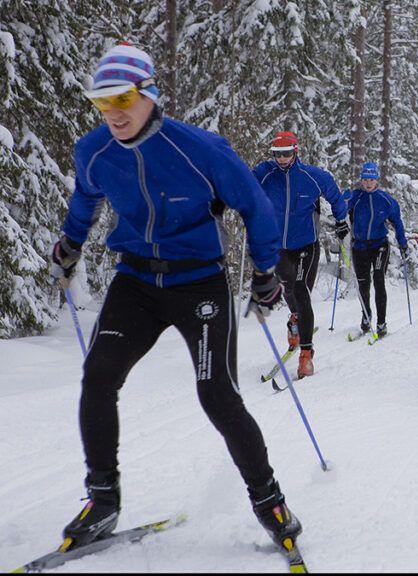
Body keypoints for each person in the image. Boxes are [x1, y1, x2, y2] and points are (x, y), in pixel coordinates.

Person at [48, 42, 302, 553]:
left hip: (199, 281)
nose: (113, 113)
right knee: (98, 376)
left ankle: (269, 501)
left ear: (149, 94)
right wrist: (70, 245)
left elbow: (254, 206)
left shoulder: (200, 148)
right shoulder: (93, 151)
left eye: (122, 99)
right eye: (103, 102)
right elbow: (85, 201)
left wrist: (265, 271)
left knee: (217, 394)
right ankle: (103, 500)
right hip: (136, 282)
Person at [253, 130, 348, 378]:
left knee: (301, 290)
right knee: (287, 289)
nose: (281, 159)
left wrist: (341, 220)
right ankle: (295, 320)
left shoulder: (313, 177)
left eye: (286, 153)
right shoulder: (265, 173)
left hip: (306, 244)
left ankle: (306, 353)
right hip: (278, 245)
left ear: (296, 151)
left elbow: (336, 197)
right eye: (277, 154)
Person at [343, 162, 408, 337]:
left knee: (379, 280)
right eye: (365, 179)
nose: (368, 183)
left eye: (371, 179)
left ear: (376, 179)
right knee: (363, 284)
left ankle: (381, 322)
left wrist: (403, 244)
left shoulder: (386, 200)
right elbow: (340, 211)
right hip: (359, 247)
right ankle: (366, 316)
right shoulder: (355, 197)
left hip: (380, 245)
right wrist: (343, 202)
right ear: (361, 180)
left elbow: (397, 223)